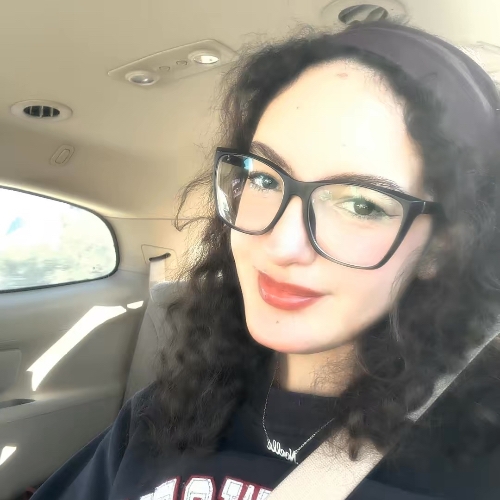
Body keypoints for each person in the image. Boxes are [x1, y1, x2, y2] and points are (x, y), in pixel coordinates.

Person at [32, 20, 500, 500]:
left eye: (361, 204)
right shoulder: (164, 410)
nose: (281, 245)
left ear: (441, 248)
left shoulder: (480, 464)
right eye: (263, 178)